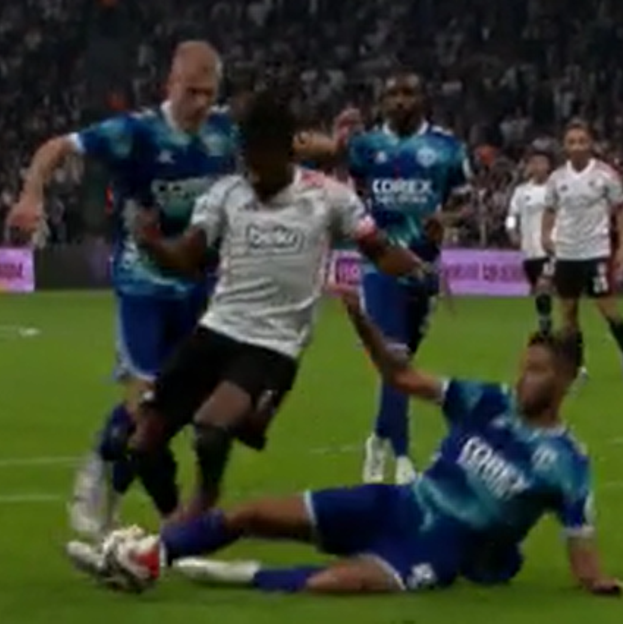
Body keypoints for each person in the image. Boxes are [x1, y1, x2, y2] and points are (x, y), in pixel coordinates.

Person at [65, 286, 623, 598]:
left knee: (334, 584)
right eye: (525, 366)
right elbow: (402, 378)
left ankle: (229, 573)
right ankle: (150, 554)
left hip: (433, 550)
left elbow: (581, 544)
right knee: (253, 513)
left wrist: (600, 583)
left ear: (565, 380)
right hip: (396, 503)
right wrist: (363, 322)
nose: (525, 378)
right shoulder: (485, 399)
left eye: (538, 371)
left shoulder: (567, 463)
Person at [102, 90, 425, 531]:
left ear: (286, 148)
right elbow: (189, 258)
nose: (251, 167)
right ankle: (174, 525)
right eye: (245, 154)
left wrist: (420, 268)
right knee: (141, 445)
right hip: (216, 329)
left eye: (259, 155)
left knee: (210, 429)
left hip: (272, 344)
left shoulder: (328, 197)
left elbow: (380, 250)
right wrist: (155, 245)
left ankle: (202, 506)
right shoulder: (226, 194)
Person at [7, 41, 237, 538]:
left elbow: (276, 155)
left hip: (198, 284)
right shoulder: (136, 132)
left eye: (209, 92)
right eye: (192, 91)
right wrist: (31, 195)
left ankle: (115, 471)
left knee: (178, 406)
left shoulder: (225, 133)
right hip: (143, 282)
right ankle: (108, 480)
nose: (201, 102)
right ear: (170, 85)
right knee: (144, 402)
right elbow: (55, 148)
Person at [343, 71, 472, 485]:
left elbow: (466, 203)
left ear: (422, 99)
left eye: (408, 93)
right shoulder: (365, 147)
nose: (399, 100)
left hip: (424, 268)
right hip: (379, 265)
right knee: (395, 358)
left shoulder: (447, 148)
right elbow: (350, 199)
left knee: (400, 366)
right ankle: (401, 459)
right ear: (381, 101)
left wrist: (445, 218)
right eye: (392, 94)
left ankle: (378, 438)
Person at [541, 120, 623, 383]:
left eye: (582, 141)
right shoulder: (557, 178)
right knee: (568, 314)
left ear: (590, 144)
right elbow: (550, 209)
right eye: (571, 142)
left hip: (595, 251)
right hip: (566, 253)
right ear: (565, 146)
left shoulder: (605, 175)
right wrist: (545, 234)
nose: (577, 147)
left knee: (608, 309)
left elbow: (622, 210)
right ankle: (578, 367)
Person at [506, 147, 555, 333]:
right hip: (528, 250)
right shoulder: (521, 191)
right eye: (534, 163)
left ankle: (545, 324)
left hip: (551, 248)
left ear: (548, 166)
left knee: (544, 285)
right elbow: (512, 215)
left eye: (542, 162)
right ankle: (545, 320)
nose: (538, 166)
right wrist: (512, 231)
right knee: (538, 290)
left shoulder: (556, 189)